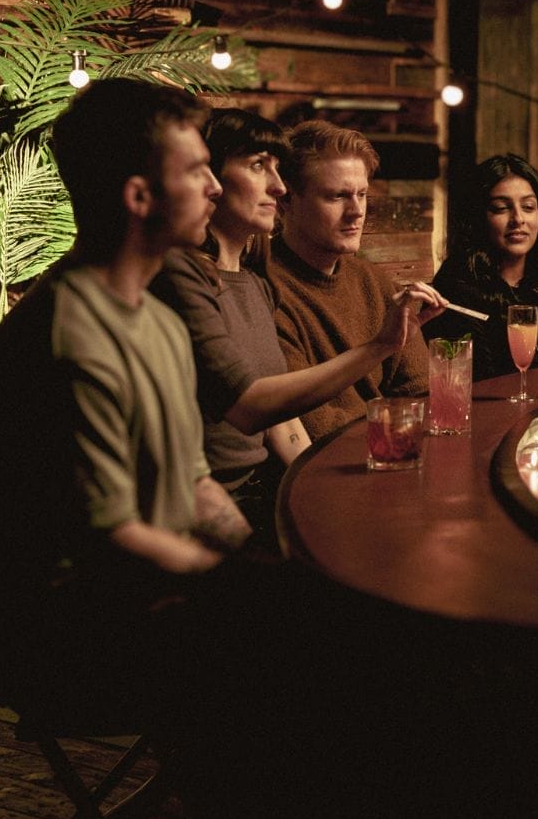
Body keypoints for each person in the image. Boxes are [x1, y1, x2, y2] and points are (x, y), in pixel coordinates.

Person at [0, 78, 251, 728]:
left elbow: (193, 487)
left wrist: (264, 566)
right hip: (70, 639)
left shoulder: (158, 321)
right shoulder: (67, 338)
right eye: (198, 170)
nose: (217, 188)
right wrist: (250, 592)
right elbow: (114, 539)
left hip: (140, 597)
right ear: (140, 197)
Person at [150, 109, 428, 534]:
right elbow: (250, 407)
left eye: (362, 195)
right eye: (260, 166)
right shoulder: (183, 273)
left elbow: (283, 429)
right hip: (211, 502)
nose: (275, 187)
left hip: (266, 490)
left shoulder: (253, 279)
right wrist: (379, 346)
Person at [268, 120, 444, 439]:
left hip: (391, 456)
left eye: (361, 194)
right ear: (285, 201)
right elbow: (307, 422)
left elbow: (422, 396)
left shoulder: (374, 281)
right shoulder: (264, 288)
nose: (356, 212)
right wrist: (394, 422)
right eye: (337, 196)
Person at [425, 154, 538, 380]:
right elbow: (456, 378)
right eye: (501, 208)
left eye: (528, 207)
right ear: (478, 217)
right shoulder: (456, 288)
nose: (518, 219)